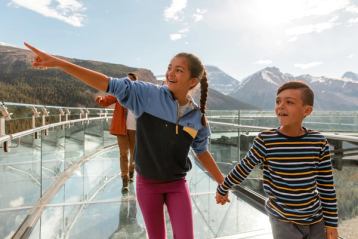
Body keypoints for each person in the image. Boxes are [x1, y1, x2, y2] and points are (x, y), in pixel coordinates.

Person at [24, 42, 225, 239]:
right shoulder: (147, 94)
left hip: (177, 185)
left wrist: (222, 183)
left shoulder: (197, 118)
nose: (170, 74)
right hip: (148, 185)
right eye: (169, 68)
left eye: (178, 70)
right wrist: (60, 63)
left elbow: (202, 151)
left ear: (193, 81)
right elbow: (107, 83)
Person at [216, 81, 339, 239]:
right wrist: (223, 187)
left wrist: (331, 223)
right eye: (278, 101)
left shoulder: (318, 142)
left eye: (289, 102)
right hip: (282, 220)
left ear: (307, 110)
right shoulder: (266, 140)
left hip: (316, 219)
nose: (281, 106)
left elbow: (326, 186)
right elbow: (244, 167)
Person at [96, 72, 137, 193]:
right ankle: (124, 179)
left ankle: (131, 171)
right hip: (122, 129)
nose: (127, 83)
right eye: (126, 80)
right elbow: (107, 100)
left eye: (130, 80)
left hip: (136, 130)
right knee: (123, 154)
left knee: (134, 155)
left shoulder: (139, 95)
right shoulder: (119, 93)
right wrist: (100, 99)